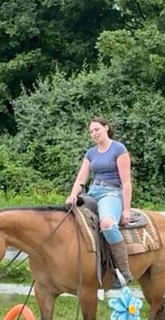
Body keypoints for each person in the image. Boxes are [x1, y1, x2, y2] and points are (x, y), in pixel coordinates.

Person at [65, 117, 133, 288]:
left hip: (111, 192)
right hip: (93, 192)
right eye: (91, 131)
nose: (94, 134)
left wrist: (126, 209)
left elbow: (126, 182)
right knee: (69, 219)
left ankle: (124, 272)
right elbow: (81, 178)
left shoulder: (119, 149)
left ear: (106, 128)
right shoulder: (91, 153)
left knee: (108, 224)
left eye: (97, 129)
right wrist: (73, 194)